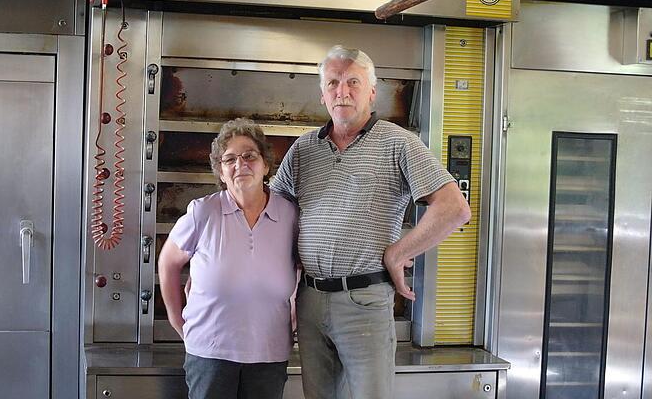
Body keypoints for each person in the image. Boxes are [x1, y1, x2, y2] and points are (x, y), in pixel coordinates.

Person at [271, 45, 471, 399]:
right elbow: (272, 214)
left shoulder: (399, 143)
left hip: (363, 300)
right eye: (333, 83)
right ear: (322, 95)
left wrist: (398, 252)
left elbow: (454, 207)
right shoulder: (303, 149)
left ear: (372, 91)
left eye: (353, 82)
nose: (342, 92)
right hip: (309, 300)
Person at [158, 118, 298, 399]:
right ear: (221, 172)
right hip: (210, 353)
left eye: (249, 156)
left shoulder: (290, 215)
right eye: (229, 159)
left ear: (266, 165)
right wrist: (176, 319)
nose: (240, 164)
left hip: (269, 353)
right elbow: (168, 262)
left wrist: (294, 315)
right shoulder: (202, 212)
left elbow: (303, 268)